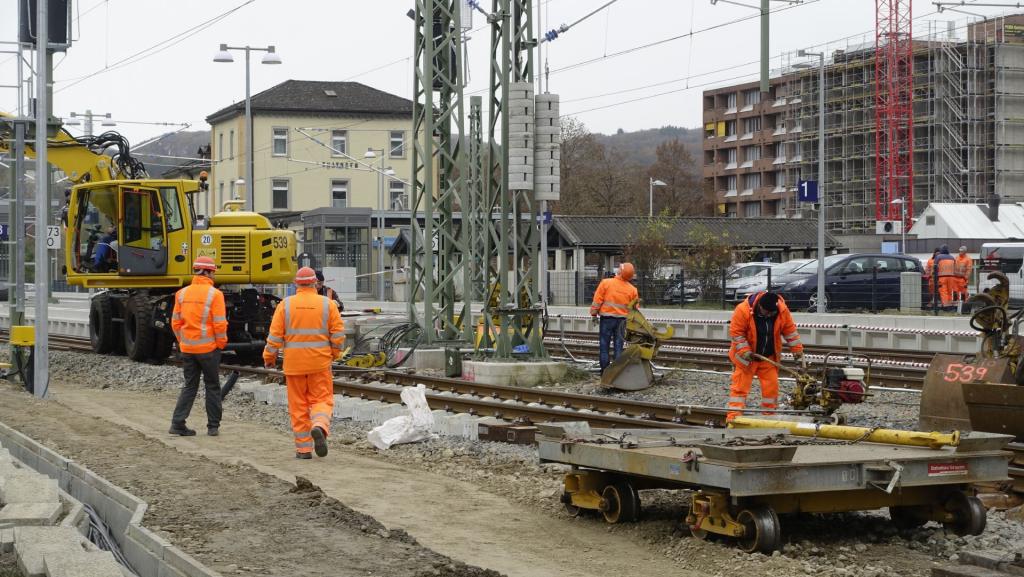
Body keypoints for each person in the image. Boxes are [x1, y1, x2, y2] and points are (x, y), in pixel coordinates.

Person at [263, 267, 346, 459]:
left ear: (296, 284)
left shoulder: (285, 305)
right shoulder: (328, 305)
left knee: (298, 406)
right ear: (315, 283)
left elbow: (274, 337)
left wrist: (269, 358)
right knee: (322, 400)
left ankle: (303, 450)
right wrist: (333, 354)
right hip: (320, 363)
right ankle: (319, 426)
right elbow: (338, 335)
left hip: (294, 366)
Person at [169, 256, 227, 436]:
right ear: (209, 272)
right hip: (209, 349)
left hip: (188, 349)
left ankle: (177, 423)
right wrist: (220, 344)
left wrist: (183, 341)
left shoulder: (182, 293)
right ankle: (213, 427)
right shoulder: (215, 294)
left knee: (190, 386)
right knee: (212, 386)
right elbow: (219, 324)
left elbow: (175, 323)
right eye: (213, 272)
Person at [727, 292, 804, 421]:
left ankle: (769, 418)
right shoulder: (742, 310)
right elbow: (737, 334)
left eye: (771, 313)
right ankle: (733, 418)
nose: (768, 315)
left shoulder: (782, 311)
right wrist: (745, 351)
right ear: (760, 306)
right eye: (766, 312)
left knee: (771, 390)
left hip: (768, 359)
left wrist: (797, 350)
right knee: (739, 390)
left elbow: (790, 331)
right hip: (746, 360)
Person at [589, 262, 639, 373]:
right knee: (618, 347)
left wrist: (593, 313)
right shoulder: (632, 290)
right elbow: (635, 309)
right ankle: (616, 373)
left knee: (604, 345)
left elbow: (597, 301)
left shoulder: (606, 283)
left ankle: (605, 371)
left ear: (620, 271)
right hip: (622, 321)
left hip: (607, 319)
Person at [936, 245, 958, 309]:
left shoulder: (938, 257)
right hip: (951, 277)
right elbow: (955, 268)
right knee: (949, 291)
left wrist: (935, 276)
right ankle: (950, 305)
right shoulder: (952, 257)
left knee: (943, 291)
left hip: (942, 277)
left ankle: (946, 306)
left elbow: (935, 267)